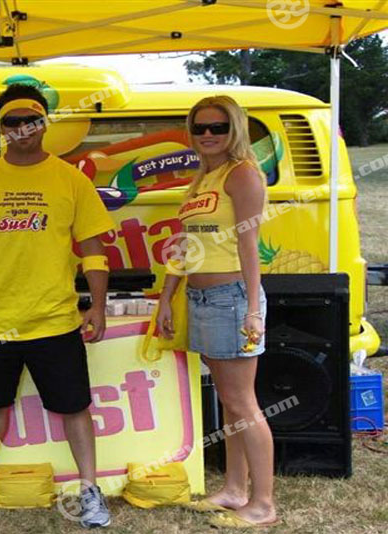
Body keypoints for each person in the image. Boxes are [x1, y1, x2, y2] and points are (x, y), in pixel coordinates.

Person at [0, 84, 116, 529]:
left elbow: (93, 248)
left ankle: (89, 489)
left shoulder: (71, 179)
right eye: (11, 121)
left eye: (31, 119)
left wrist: (97, 305)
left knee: (74, 408)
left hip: (56, 319)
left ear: (44, 123)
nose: (22, 128)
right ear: (0, 128)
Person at [157, 95, 278, 528]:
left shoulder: (241, 173)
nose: (207, 135)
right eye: (200, 127)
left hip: (231, 297)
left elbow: (249, 243)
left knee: (243, 402)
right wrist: (168, 296)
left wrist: (252, 309)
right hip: (201, 298)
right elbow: (185, 245)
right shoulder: (200, 180)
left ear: (235, 130)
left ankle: (262, 504)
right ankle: (234, 489)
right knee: (230, 402)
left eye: (218, 127)